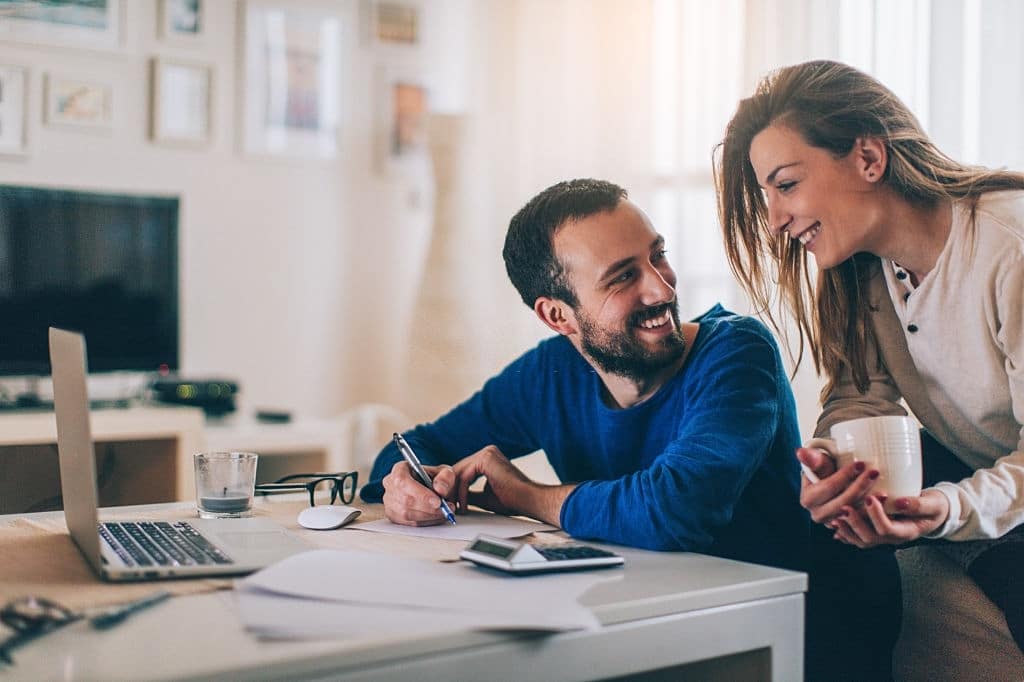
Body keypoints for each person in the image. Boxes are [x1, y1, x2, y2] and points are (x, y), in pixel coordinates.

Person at [716, 59, 1024, 679]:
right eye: (767, 194)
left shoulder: (1008, 249)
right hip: (988, 474)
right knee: (811, 526)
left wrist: (946, 509)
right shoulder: (864, 269)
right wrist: (837, 468)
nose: (775, 217)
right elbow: (860, 397)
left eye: (786, 184)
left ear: (868, 159)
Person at [360, 178, 808, 572]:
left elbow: (676, 510)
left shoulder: (737, 352)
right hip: (634, 613)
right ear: (557, 315)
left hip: (776, 632)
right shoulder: (549, 374)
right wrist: (405, 485)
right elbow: (412, 450)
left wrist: (525, 496)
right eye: (623, 277)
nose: (662, 288)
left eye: (658, 256)